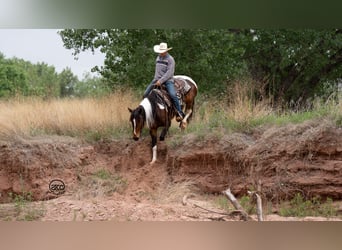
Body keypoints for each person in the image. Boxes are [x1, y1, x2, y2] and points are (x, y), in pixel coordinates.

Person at [143, 42, 185, 120]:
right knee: (145, 94)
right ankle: (145, 113)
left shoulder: (170, 59)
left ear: (166, 51)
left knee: (172, 95)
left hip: (168, 81)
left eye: (162, 52)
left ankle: (179, 112)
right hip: (156, 80)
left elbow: (169, 73)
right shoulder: (158, 58)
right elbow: (157, 71)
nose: (160, 53)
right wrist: (156, 79)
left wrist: (161, 81)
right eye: (160, 52)